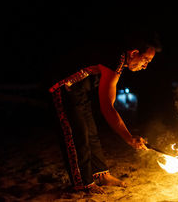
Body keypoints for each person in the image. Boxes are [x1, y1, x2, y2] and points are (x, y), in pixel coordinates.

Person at [47, 31, 159, 193]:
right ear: (134, 53)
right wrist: (128, 138)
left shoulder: (119, 58)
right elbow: (107, 106)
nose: (145, 66)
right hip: (61, 86)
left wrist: (128, 136)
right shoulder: (116, 58)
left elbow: (108, 103)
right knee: (77, 133)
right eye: (146, 60)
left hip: (79, 88)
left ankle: (101, 175)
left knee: (91, 131)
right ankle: (82, 183)